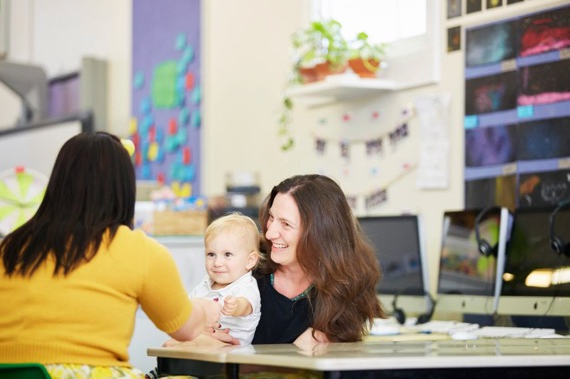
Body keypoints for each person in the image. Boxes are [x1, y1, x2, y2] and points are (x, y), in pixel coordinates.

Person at [0, 132, 221, 378]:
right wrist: (205, 310)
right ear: (123, 188)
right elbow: (186, 330)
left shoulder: (9, 247)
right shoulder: (138, 249)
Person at [199, 174, 384, 346]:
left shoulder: (345, 289)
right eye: (271, 218)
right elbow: (183, 340)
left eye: (286, 224)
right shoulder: (244, 266)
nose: (270, 233)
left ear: (320, 233)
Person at [189, 212, 262, 345]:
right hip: (203, 343)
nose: (217, 263)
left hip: (233, 351)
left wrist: (236, 306)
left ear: (250, 260)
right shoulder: (205, 284)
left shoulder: (246, 285)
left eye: (227, 254)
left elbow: (246, 305)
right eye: (211, 254)